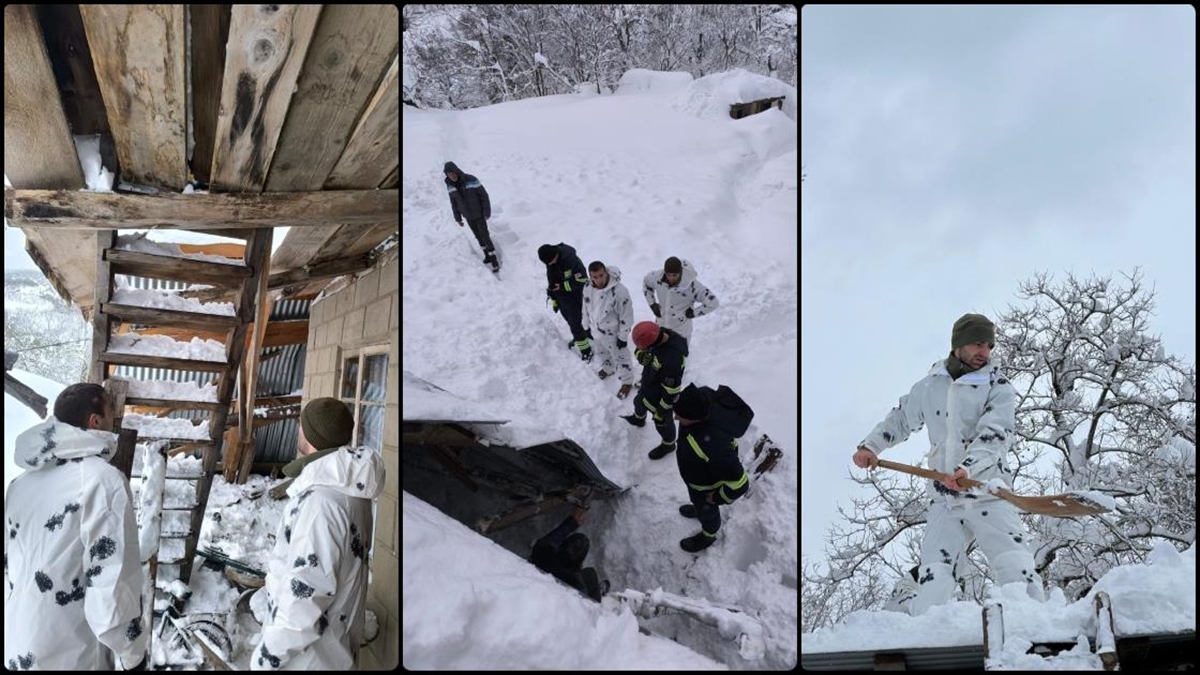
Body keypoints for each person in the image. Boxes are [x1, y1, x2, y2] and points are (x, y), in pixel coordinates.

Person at [853, 313, 1045, 616]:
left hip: (988, 492)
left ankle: (1038, 623)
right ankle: (924, 634)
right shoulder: (931, 386)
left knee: (1014, 564)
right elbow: (902, 418)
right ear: (958, 345)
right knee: (935, 571)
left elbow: (995, 435)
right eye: (978, 344)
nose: (985, 352)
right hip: (944, 498)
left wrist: (967, 469)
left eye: (988, 346)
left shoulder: (998, 385)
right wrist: (870, 445)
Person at [5, 383, 149, 670]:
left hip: (18, 642)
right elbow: (112, 584)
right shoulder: (102, 482)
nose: (115, 421)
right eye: (112, 413)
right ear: (95, 421)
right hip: (71, 652)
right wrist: (133, 654)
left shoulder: (20, 484)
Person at [253, 398, 385, 670]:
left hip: (307, 658)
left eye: (303, 425)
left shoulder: (321, 503)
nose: (298, 429)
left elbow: (307, 592)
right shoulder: (350, 493)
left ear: (311, 435)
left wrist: (268, 657)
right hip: (332, 648)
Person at [671, 384, 753, 552]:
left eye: (680, 416)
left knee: (707, 512)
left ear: (695, 418)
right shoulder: (700, 399)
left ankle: (708, 535)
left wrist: (715, 498)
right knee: (697, 501)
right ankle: (698, 507)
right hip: (696, 476)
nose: (676, 418)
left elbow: (740, 483)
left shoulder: (715, 446)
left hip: (707, 487)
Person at [621, 321, 688, 459]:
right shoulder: (659, 333)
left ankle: (669, 444)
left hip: (661, 397)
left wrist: (661, 411)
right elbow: (641, 348)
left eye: (646, 348)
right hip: (648, 385)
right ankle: (639, 419)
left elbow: (672, 391)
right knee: (638, 402)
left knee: (663, 424)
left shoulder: (672, 360)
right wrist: (641, 355)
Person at [582, 260, 635, 400]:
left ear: (606, 272)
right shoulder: (587, 287)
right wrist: (586, 325)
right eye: (595, 277)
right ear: (590, 277)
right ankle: (608, 368)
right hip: (596, 330)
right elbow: (585, 306)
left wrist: (623, 336)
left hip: (613, 333)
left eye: (601, 275)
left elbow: (627, 315)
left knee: (621, 356)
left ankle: (627, 381)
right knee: (601, 352)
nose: (599, 280)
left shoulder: (619, 291)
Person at [529, 505, 605, 602]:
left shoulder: (543, 551)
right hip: (559, 595)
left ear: (561, 545)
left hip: (545, 572)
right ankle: (601, 593)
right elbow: (589, 607)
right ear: (580, 562)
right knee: (590, 574)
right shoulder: (577, 585)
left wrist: (572, 523)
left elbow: (552, 539)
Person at [642, 256, 719, 342]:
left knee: (678, 355)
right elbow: (646, 284)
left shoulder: (692, 286)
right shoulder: (656, 278)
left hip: (681, 331)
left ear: (680, 272)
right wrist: (652, 304)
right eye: (668, 275)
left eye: (675, 275)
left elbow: (713, 302)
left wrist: (693, 313)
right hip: (661, 326)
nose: (671, 278)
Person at [539, 243, 592, 361]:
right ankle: (582, 337)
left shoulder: (570, 259)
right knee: (572, 322)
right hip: (562, 297)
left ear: (555, 255)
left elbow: (583, 280)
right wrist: (553, 298)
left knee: (575, 324)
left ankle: (586, 351)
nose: (549, 265)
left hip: (576, 295)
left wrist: (563, 286)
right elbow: (551, 280)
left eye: (550, 262)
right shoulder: (550, 261)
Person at [443, 161, 497, 271]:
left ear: (456, 171)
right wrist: (458, 218)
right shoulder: (450, 186)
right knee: (478, 236)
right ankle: (487, 254)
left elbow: (484, 196)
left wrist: (486, 212)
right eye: (449, 174)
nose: (451, 176)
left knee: (485, 236)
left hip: (479, 214)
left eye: (453, 173)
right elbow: (454, 203)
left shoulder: (471, 179)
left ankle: (494, 259)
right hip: (468, 217)